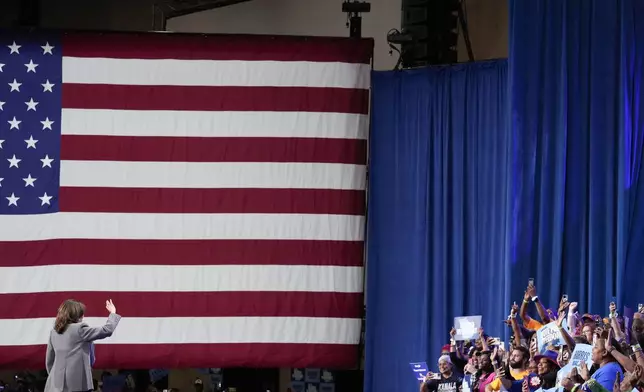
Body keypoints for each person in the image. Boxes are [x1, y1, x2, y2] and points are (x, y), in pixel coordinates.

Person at [44, 299, 121, 392]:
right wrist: (113, 313)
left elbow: (49, 360)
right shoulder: (79, 329)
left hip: (54, 384)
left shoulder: (54, 332)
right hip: (76, 383)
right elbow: (107, 330)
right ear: (77, 315)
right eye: (82, 314)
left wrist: (55, 377)